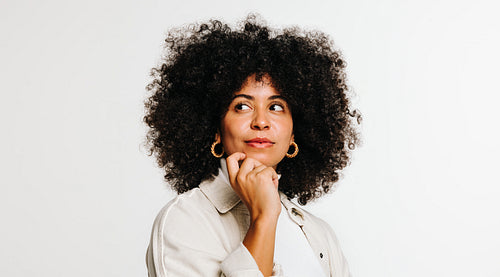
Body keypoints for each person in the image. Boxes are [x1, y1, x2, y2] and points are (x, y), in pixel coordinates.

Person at [143, 14, 360, 277]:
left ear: (295, 134)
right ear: (216, 131)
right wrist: (264, 218)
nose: (261, 121)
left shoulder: (319, 234)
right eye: (242, 106)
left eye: (276, 107)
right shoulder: (185, 220)